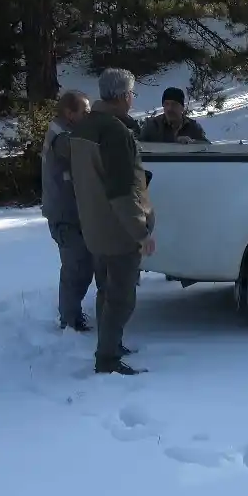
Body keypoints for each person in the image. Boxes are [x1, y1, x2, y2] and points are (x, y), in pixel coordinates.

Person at [66, 68, 156, 375]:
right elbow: (120, 191)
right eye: (131, 93)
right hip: (116, 229)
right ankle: (107, 360)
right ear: (120, 96)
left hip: (93, 224)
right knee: (121, 297)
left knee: (106, 291)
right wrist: (140, 232)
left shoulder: (84, 127)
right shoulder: (114, 132)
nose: (132, 99)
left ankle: (110, 345)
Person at [41, 90, 96, 333]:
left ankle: (71, 315)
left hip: (72, 212)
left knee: (82, 264)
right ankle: (70, 320)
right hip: (64, 214)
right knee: (76, 266)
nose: (89, 115)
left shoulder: (65, 131)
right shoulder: (61, 136)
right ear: (69, 113)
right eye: (85, 111)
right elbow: (78, 151)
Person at [140, 87, 209, 144]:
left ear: (182, 107)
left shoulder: (193, 127)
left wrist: (192, 143)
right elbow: (137, 148)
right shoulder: (152, 125)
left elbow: (208, 148)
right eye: (166, 104)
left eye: (174, 104)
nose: (169, 108)